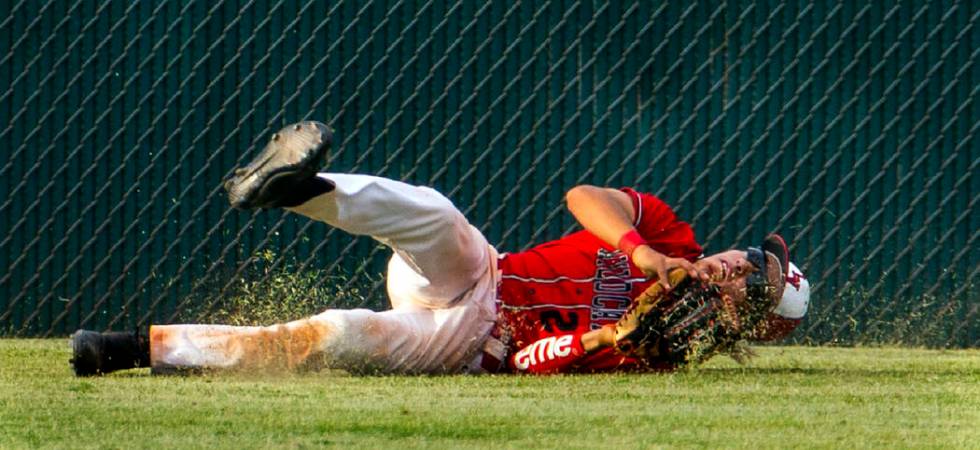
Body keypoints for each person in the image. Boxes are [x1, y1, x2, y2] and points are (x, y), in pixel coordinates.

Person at [70, 121, 810, 376]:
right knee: (435, 216)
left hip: (467, 343)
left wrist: (616, 333)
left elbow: (525, 360)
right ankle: (292, 188)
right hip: (481, 273)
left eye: (755, 281)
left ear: (742, 319)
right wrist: (645, 256)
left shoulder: (664, 347)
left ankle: (133, 350)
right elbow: (585, 199)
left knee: (333, 334)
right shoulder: (672, 238)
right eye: (752, 255)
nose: (740, 263)